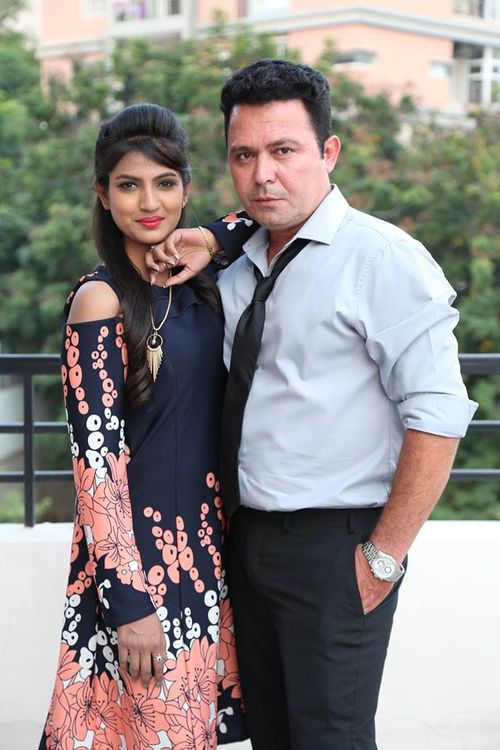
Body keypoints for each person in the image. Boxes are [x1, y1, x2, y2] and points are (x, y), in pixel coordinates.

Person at [146, 59, 478, 750]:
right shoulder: (237, 262)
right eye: (244, 155)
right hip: (245, 539)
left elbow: (438, 413)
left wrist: (384, 556)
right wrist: (213, 235)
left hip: (338, 546)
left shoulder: (382, 259)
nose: (263, 173)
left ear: (329, 152)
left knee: (331, 738)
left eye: (284, 150)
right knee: (270, 735)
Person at [40, 103, 246, 750]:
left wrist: (209, 238)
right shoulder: (100, 299)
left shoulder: (204, 282)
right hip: (138, 568)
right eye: (129, 185)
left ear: (187, 187)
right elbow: (96, 465)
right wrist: (128, 603)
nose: (150, 203)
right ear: (103, 195)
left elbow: (267, 215)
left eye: (165, 183)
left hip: (208, 556)